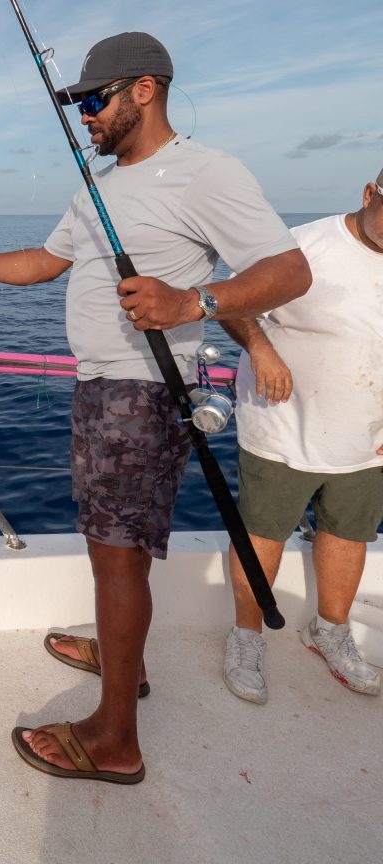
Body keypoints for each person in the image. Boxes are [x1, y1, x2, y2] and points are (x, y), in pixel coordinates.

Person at [0, 32, 311, 784]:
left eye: (94, 100)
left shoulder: (205, 173)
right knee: (111, 552)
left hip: (142, 393)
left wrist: (193, 300)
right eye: (79, 103)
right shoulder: (97, 188)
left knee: (118, 557)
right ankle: (121, 660)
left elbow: (290, 270)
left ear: (143, 90)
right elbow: (46, 262)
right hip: (98, 390)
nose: (84, 118)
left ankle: (114, 740)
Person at [220, 174, 383, 703]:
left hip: (366, 437)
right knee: (262, 534)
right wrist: (262, 350)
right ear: (368, 194)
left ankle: (330, 631)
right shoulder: (302, 249)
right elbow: (229, 303)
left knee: (350, 534)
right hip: (283, 428)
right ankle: (246, 637)